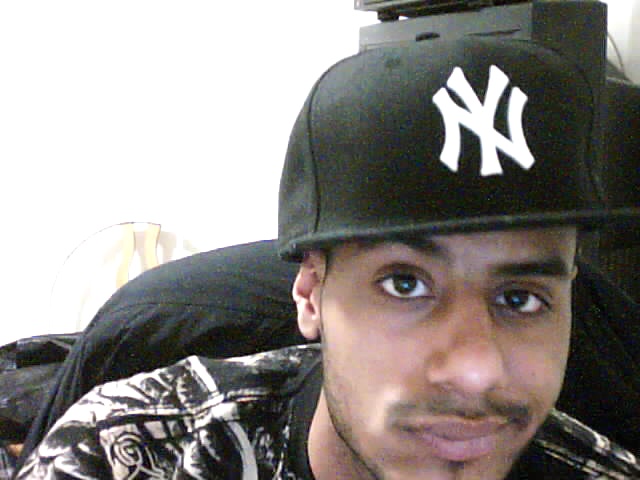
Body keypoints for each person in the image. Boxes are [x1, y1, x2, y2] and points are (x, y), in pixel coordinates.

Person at [16, 37, 640, 479]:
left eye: (520, 298)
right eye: (404, 284)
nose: (476, 371)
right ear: (310, 293)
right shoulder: (128, 456)